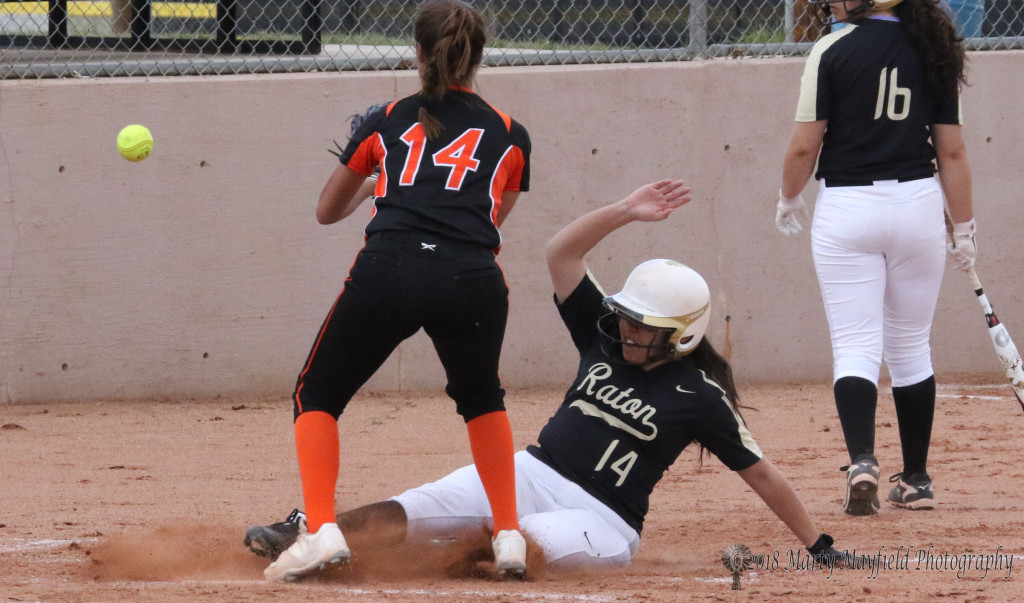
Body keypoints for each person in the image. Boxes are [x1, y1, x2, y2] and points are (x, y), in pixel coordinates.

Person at [248, 180, 847, 571]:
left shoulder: (700, 395)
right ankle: (315, 534)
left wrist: (818, 546)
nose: (629, 331)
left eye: (645, 327)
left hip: (602, 521)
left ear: (683, 335)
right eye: (628, 318)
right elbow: (561, 253)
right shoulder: (604, 338)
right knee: (420, 505)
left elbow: (762, 475)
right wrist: (625, 212)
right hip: (530, 474)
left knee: (518, 545)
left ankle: (408, 567)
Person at [263, 0, 532, 582]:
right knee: (482, 397)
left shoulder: (385, 118)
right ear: (477, 58)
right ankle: (509, 535)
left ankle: (322, 530)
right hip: (472, 276)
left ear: (418, 54)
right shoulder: (513, 134)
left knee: (318, 395)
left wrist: (375, 180)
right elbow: (489, 222)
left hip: (392, 266)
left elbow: (326, 212)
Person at [774, 0, 976, 516]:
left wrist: (788, 198)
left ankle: (862, 458)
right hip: (917, 205)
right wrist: (963, 227)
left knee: (856, 345)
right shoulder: (936, 49)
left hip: (848, 210)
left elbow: (802, 148)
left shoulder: (830, 51)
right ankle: (916, 479)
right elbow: (953, 153)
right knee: (912, 346)